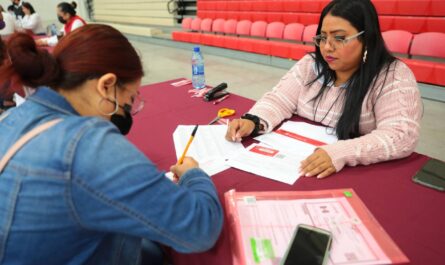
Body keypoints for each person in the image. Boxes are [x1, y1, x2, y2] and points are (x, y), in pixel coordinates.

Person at [0, 24, 223, 264]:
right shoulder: (87, 144)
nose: (124, 113)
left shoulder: (14, 118)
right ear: (106, 85)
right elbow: (200, 228)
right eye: (128, 101)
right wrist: (194, 175)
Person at [226, 0, 421, 179]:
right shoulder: (310, 65)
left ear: (367, 39)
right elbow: (278, 100)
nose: (327, 47)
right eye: (323, 37)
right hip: (298, 164)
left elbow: (401, 136)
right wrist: (253, 121)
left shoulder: (393, 76)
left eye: (339, 38)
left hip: (355, 174)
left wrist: (340, 152)